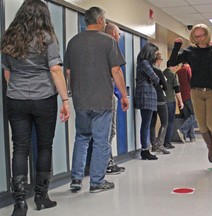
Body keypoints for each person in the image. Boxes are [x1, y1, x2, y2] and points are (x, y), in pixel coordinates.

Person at [1, 0, 70, 215]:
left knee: (20, 148)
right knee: (44, 146)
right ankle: (41, 196)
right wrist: (65, 99)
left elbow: (7, 73)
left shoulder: (9, 38)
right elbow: (55, 70)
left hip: (16, 99)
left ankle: (20, 202)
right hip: (43, 99)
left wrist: (20, 88)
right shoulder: (47, 38)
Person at [65, 7, 129, 193]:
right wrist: (124, 96)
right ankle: (97, 182)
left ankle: (76, 180)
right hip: (101, 99)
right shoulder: (108, 41)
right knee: (101, 141)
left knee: (81, 138)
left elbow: (68, 72)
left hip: (80, 99)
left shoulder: (73, 42)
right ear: (100, 19)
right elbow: (116, 71)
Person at [169, 23, 212, 163]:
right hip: (196, 91)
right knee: (202, 125)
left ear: (207, 34)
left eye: (201, 35)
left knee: (211, 122)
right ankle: (210, 147)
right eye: (196, 36)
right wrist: (177, 46)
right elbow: (171, 62)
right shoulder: (190, 51)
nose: (199, 39)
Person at [85, 22, 125, 176]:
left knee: (96, 134)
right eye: (119, 34)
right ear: (114, 34)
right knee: (107, 132)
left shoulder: (94, 47)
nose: (120, 37)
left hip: (91, 95)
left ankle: (105, 163)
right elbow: (116, 71)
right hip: (106, 96)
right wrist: (122, 95)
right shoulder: (110, 46)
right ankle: (105, 164)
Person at [135, 43, 160, 160]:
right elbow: (155, 78)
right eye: (155, 54)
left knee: (147, 123)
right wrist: (153, 78)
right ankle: (145, 149)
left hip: (145, 95)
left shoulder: (143, 63)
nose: (155, 56)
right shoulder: (145, 63)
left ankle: (145, 148)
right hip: (146, 96)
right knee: (146, 124)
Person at [150, 52, 170, 154]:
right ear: (158, 61)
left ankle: (153, 145)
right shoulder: (158, 71)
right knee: (164, 122)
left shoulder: (148, 70)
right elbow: (165, 86)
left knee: (152, 123)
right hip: (161, 100)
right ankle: (160, 145)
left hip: (151, 100)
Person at [163, 61, 184, 149]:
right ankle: (167, 142)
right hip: (170, 100)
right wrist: (181, 102)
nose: (176, 68)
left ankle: (161, 141)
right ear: (172, 66)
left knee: (164, 122)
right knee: (170, 121)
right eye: (176, 65)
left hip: (162, 101)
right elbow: (177, 89)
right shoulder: (173, 75)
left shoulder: (162, 73)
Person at [176, 62, 197, 143]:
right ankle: (182, 130)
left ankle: (192, 137)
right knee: (194, 115)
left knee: (188, 116)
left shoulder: (177, 72)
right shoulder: (188, 69)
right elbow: (192, 82)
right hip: (189, 95)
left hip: (181, 98)